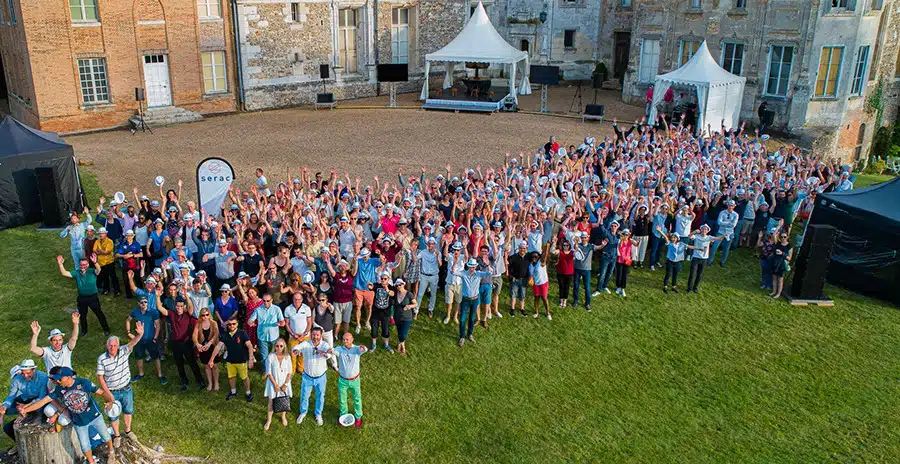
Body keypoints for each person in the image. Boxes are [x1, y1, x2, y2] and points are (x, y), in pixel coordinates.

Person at [23, 366, 117, 464]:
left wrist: (110, 401)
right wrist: (26, 410)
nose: (58, 381)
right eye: (56, 380)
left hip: (95, 416)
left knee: (105, 436)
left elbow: (101, 392)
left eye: (60, 379)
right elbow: (44, 401)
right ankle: (91, 462)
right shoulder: (59, 389)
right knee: (84, 445)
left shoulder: (83, 383)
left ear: (68, 376)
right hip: (79, 422)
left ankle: (111, 451)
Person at [96, 323, 145, 448]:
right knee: (113, 415)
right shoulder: (102, 359)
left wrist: (140, 334)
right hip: (111, 391)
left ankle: (128, 431)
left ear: (118, 346)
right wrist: (107, 393)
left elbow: (133, 342)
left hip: (126, 388)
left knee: (128, 411)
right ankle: (117, 435)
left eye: (115, 345)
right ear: (107, 346)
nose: (112, 347)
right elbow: (100, 377)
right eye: (110, 345)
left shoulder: (124, 351)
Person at [155, 291, 204, 391]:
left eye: (181, 306)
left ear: (184, 306)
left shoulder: (187, 314)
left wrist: (186, 296)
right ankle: (184, 381)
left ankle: (200, 380)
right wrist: (157, 297)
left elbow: (191, 308)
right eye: (177, 306)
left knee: (192, 362)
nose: (179, 308)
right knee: (179, 363)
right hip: (176, 343)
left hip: (186, 343)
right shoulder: (172, 314)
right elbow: (161, 309)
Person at [56, 255, 111, 337]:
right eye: (81, 265)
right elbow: (65, 273)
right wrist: (60, 264)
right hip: (82, 298)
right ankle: (84, 330)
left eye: (85, 264)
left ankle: (106, 329)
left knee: (99, 313)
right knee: (82, 315)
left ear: (88, 265)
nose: (83, 266)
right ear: (79, 265)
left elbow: (99, 269)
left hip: (93, 297)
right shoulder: (77, 272)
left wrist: (95, 262)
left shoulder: (92, 271)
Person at [292, 327, 333, 426]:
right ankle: (303, 412)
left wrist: (324, 353)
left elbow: (330, 354)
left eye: (317, 335)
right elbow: (296, 347)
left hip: (321, 377)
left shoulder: (324, 345)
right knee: (304, 396)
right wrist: (296, 351)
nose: (315, 337)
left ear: (321, 335)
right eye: (313, 335)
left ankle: (318, 414)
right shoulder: (306, 344)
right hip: (307, 377)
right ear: (311, 335)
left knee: (320, 396)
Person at [1, 360, 49, 444]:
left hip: (41, 402)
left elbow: (41, 398)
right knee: (7, 424)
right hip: (26, 399)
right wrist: (4, 407)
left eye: (28, 373)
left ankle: (26, 415)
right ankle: (19, 445)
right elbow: (11, 396)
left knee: (31, 422)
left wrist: (26, 406)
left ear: (33, 370)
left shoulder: (43, 377)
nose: (25, 376)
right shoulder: (17, 379)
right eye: (23, 373)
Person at [211, 317, 255, 402]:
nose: (231, 326)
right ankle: (233, 392)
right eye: (230, 324)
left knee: (244, 377)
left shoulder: (242, 333)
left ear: (237, 324)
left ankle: (248, 393)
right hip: (230, 361)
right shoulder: (225, 334)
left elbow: (249, 346)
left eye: (234, 324)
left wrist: (251, 359)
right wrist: (212, 359)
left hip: (241, 361)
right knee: (231, 377)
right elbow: (218, 346)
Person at [126, 296, 166, 385]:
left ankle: (160, 375)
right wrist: (128, 333)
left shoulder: (153, 312)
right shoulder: (135, 311)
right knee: (139, 357)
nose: (143, 304)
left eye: (145, 302)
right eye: (141, 302)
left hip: (151, 339)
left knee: (156, 357)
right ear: (138, 303)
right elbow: (128, 320)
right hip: (139, 339)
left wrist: (155, 337)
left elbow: (158, 325)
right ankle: (141, 374)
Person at [333, 332, 368, 428]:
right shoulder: (339, 349)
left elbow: (365, 349)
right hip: (342, 380)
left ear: (352, 340)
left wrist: (363, 347)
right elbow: (332, 351)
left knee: (357, 399)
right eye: (343, 339)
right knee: (342, 400)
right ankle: (343, 415)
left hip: (355, 380)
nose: (345, 341)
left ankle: (358, 417)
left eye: (347, 339)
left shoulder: (356, 349)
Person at [457, 258, 491, 346]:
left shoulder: (479, 274)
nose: (471, 269)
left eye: (473, 267)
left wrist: (489, 266)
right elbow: (453, 272)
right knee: (462, 319)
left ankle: (469, 334)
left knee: (472, 319)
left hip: (475, 300)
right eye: (470, 267)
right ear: (468, 266)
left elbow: (490, 273)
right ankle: (462, 336)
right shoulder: (464, 273)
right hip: (465, 300)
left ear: (475, 267)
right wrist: (455, 261)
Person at [685, 224, 724, 294]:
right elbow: (689, 236)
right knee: (692, 274)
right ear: (700, 230)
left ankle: (695, 288)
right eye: (703, 229)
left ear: (707, 231)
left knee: (699, 274)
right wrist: (694, 232)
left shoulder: (709, 237)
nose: (704, 230)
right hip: (695, 258)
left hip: (704, 259)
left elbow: (719, 239)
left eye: (705, 229)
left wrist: (724, 235)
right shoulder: (696, 236)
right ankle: (689, 288)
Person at [263, 338, 292, 431]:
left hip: (285, 384)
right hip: (273, 383)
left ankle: (283, 417)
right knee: (271, 402)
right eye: (277, 346)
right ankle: (269, 420)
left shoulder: (288, 357)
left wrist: (286, 384)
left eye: (281, 346)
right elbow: (269, 373)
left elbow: (289, 372)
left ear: (284, 347)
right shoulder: (270, 357)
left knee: (284, 400)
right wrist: (275, 385)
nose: (279, 348)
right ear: (274, 346)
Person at [249, 293, 285, 366]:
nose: (266, 302)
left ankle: (276, 368)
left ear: (272, 300)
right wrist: (250, 322)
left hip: (274, 336)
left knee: (276, 354)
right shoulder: (258, 309)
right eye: (264, 301)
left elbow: (283, 321)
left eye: (268, 301)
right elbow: (250, 320)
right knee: (264, 356)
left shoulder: (277, 309)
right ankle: (265, 371)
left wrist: (281, 323)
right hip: (262, 336)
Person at [283, 291, 313, 374]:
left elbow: (310, 323)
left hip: (305, 336)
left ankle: (300, 369)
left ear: (302, 299)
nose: (297, 301)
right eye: (295, 299)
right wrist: (293, 334)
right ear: (292, 299)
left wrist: (304, 334)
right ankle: (292, 370)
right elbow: (287, 324)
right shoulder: (288, 309)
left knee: (303, 352)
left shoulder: (307, 308)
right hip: (293, 335)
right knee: (292, 353)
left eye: (299, 299)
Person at [192, 308, 221, 391]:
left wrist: (210, 343)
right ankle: (210, 383)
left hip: (213, 347)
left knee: (215, 366)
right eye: (203, 315)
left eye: (207, 315)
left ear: (209, 315)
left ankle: (216, 382)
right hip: (203, 348)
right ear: (200, 316)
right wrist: (197, 344)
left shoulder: (213, 323)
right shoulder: (198, 324)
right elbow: (194, 335)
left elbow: (216, 334)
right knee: (207, 366)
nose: (205, 317)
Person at [415, 237, 442, 318]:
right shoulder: (423, 252)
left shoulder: (438, 253)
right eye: (429, 243)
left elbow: (440, 264)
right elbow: (415, 259)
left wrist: (437, 256)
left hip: (434, 276)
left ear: (434, 245)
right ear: (427, 244)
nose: (431, 245)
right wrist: (413, 251)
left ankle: (430, 309)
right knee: (420, 294)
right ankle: (416, 310)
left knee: (433, 294)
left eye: (432, 244)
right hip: (424, 276)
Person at [708, 200, 739, 267]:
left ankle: (722, 262)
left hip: (729, 233)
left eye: (732, 206)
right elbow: (719, 222)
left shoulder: (736, 215)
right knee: (714, 247)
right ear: (727, 205)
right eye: (729, 205)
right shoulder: (722, 212)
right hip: (721, 232)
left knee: (726, 248)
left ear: (734, 206)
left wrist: (724, 223)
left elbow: (733, 225)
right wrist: (728, 223)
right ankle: (710, 261)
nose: (730, 207)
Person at [370, 271, 394, 353]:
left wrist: (387, 290)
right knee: (374, 330)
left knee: (386, 330)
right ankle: (373, 344)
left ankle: (386, 345)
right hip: (375, 311)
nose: (383, 280)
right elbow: (372, 287)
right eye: (382, 278)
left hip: (385, 313)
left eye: (385, 279)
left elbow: (392, 294)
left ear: (388, 279)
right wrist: (370, 286)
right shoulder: (377, 285)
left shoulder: (391, 287)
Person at [93, 227, 120, 296]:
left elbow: (107, 252)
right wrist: (102, 251)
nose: (101, 235)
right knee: (104, 277)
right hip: (101, 263)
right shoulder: (97, 241)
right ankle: (106, 289)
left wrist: (99, 250)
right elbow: (94, 251)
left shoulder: (110, 241)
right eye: (100, 233)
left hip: (109, 262)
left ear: (105, 234)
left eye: (102, 233)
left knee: (113, 276)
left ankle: (117, 290)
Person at [392, 278, 416, 355]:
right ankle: (401, 345)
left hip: (407, 318)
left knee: (403, 335)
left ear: (403, 284)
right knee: (399, 332)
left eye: (400, 284)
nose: (399, 286)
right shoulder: (395, 294)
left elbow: (416, 304)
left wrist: (409, 306)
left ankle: (401, 344)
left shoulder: (409, 294)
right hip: (397, 317)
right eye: (397, 285)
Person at [507, 241, 530, 317]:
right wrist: (510, 276)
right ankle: (512, 309)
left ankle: (522, 309)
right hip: (515, 279)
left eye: (524, 248)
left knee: (522, 295)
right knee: (513, 294)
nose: (522, 250)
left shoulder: (528, 257)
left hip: (524, 279)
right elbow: (508, 266)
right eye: (521, 248)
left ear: (526, 248)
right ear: (519, 248)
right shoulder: (513, 257)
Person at [529, 244, 551, 319]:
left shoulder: (541, 263)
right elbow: (531, 274)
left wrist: (547, 247)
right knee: (536, 298)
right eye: (533, 257)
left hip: (543, 283)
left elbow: (545, 256)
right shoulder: (531, 265)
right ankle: (536, 312)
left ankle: (548, 313)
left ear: (538, 257)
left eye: (536, 256)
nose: (534, 258)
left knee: (544, 298)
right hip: (535, 284)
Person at [614, 229, 639, 297]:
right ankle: (618, 287)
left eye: (627, 235)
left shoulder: (630, 241)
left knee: (625, 275)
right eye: (624, 234)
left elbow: (636, 245)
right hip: (620, 260)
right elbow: (619, 246)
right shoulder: (620, 241)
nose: (626, 236)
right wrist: (622, 239)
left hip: (627, 260)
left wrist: (639, 241)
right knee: (619, 274)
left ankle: (623, 288)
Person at [770, 232, 794, 299]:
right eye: (781, 237)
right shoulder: (778, 244)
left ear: (787, 237)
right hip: (775, 262)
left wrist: (782, 253)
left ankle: (778, 293)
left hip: (782, 264)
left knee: (780, 279)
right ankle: (774, 291)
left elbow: (789, 258)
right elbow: (773, 235)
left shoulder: (789, 246)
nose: (783, 238)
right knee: (774, 278)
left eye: (785, 237)